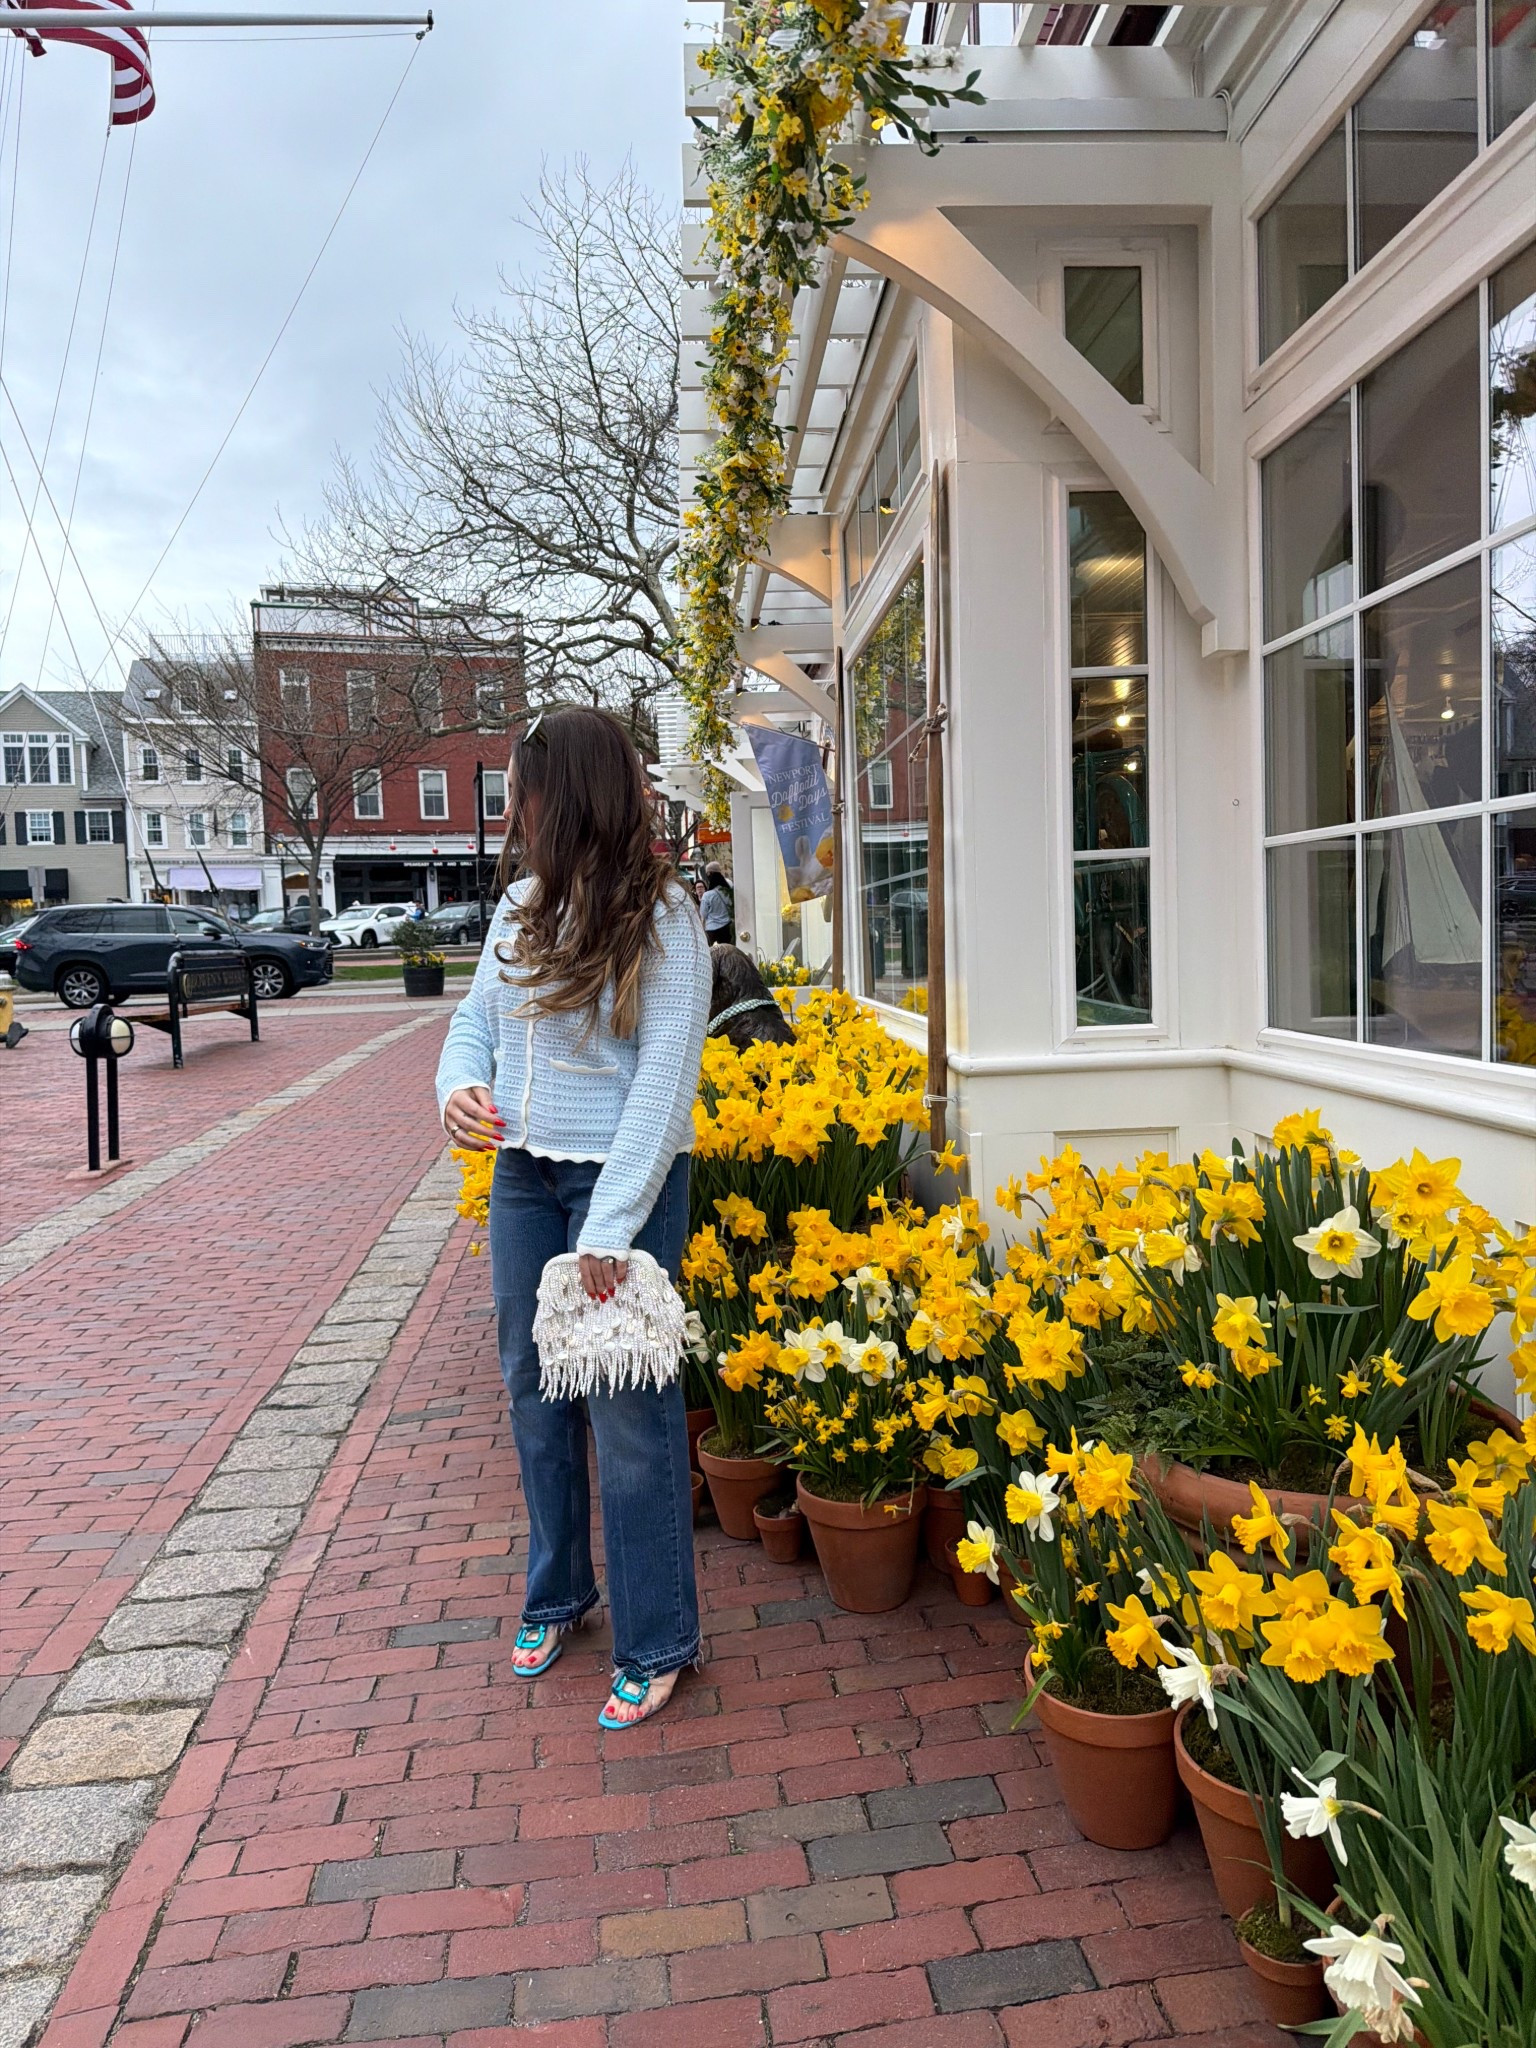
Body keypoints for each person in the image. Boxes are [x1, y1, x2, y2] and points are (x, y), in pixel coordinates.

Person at [436, 706, 711, 1731]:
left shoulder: (665, 917)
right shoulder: (518, 905)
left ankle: (658, 1637)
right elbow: (474, 1022)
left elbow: (663, 1085)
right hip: (520, 1173)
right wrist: (457, 1084)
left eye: (521, 790)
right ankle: (559, 1592)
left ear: (568, 796)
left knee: (627, 1408)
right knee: (531, 1387)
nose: (512, 808)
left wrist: (611, 1228)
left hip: (622, 1185)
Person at [699, 862, 734, 946]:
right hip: (727, 929)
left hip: (711, 930)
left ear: (709, 874)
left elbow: (703, 914)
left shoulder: (707, 895)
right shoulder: (728, 891)